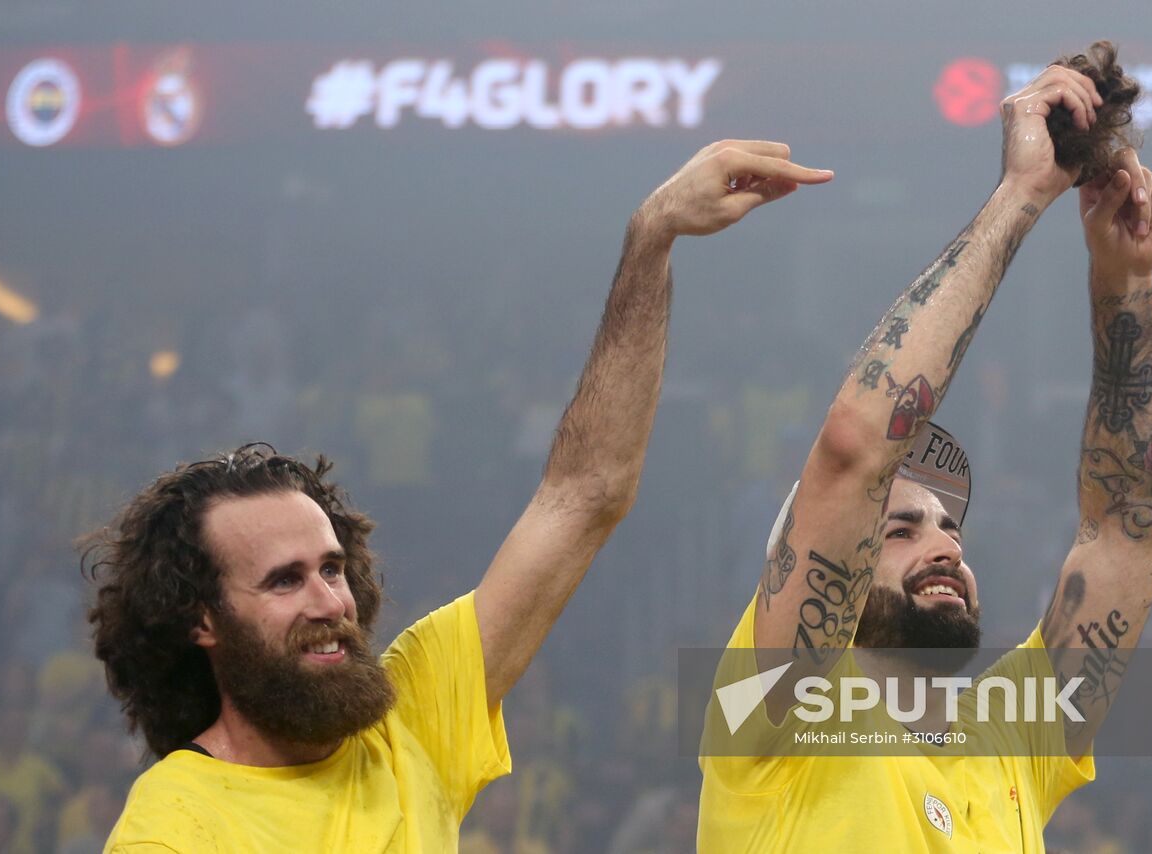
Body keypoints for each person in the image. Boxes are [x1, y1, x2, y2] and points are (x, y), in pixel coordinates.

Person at [86, 140, 833, 851]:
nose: (328, 602)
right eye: (284, 579)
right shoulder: (174, 827)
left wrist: (651, 240)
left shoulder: (408, 719)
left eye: (332, 568)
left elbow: (587, 492)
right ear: (201, 620)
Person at [698, 43, 1152, 851]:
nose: (944, 545)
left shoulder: (1013, 739)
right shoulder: (775, 706)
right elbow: (857, 447)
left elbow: (1133, 522)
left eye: (950, 529)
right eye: (900, 528)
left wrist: (1124, 281)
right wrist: (1021, 196)